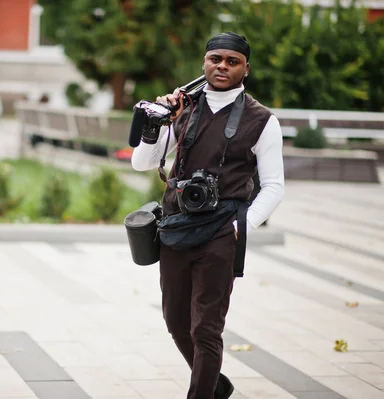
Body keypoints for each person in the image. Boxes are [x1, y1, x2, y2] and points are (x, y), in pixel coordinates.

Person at [131, 32, 285, 399]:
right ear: (204, 62)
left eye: (233, 61)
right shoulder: (183, 109)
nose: (222, 66)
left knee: (206, 329)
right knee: (176, 322)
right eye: (216, 58)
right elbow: (142, 163)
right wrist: (159, 123)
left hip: (220, 233)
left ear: (246, 69)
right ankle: (216, 386)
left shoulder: (262, 119)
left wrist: (238, 227)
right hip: (175, 229)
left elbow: (274, 187)